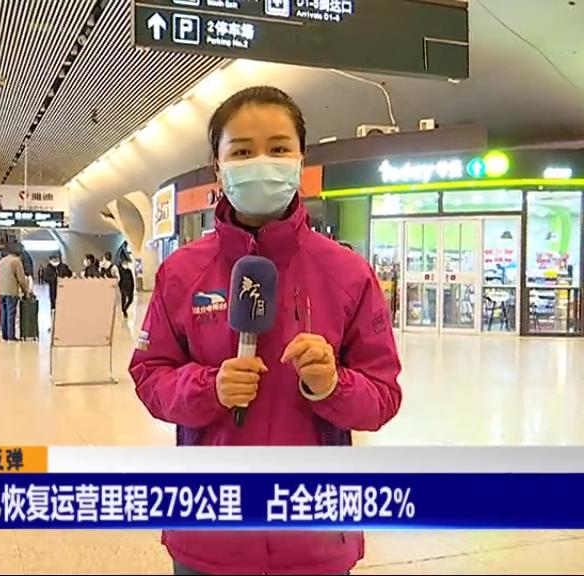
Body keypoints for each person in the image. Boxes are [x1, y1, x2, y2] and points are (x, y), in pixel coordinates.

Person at [129, 86, 402, 576]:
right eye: (241, 152)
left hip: (315, 535)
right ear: (218, 168)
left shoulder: (347, 273)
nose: (261, 163)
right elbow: (150, 377)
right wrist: (208, 387)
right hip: (209, 533)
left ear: (301, 160)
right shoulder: (182, 272)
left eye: (278, 148)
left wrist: (332, 385)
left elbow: (382, 396)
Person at [0, 243, 29, 342]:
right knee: (11, 314)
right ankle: (11, 336)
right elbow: (21, 279)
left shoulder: (1, 261)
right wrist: (25, 291)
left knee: (3, 313)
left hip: (1, 291)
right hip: (11, 291)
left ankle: (4, 335)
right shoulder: (16, 261)